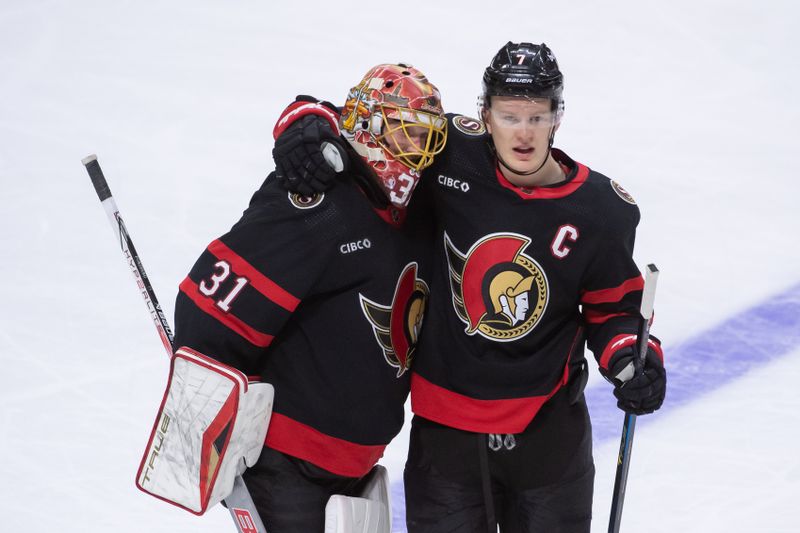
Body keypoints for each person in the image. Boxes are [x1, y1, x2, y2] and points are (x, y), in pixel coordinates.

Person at [271, 42, 667, 533]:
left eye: (537, 117)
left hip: (548, 441)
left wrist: (631, 358)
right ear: (484, 115)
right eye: (509, 116)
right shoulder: (449, 153)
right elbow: (364, 122)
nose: (523, 133)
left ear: (557, 118)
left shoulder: (602, 211)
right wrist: (305, 124)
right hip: (446, 442)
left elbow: (615, 310)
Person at [169, 63, 447, 532]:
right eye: (406, 134)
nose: (417, 153)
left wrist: (307, 113)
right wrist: (213, 412)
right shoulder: (318, 202)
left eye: (426, 138)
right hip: (285, 468)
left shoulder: (411, 210)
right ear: (371, 127)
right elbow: (207, 311)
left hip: (355, 467)